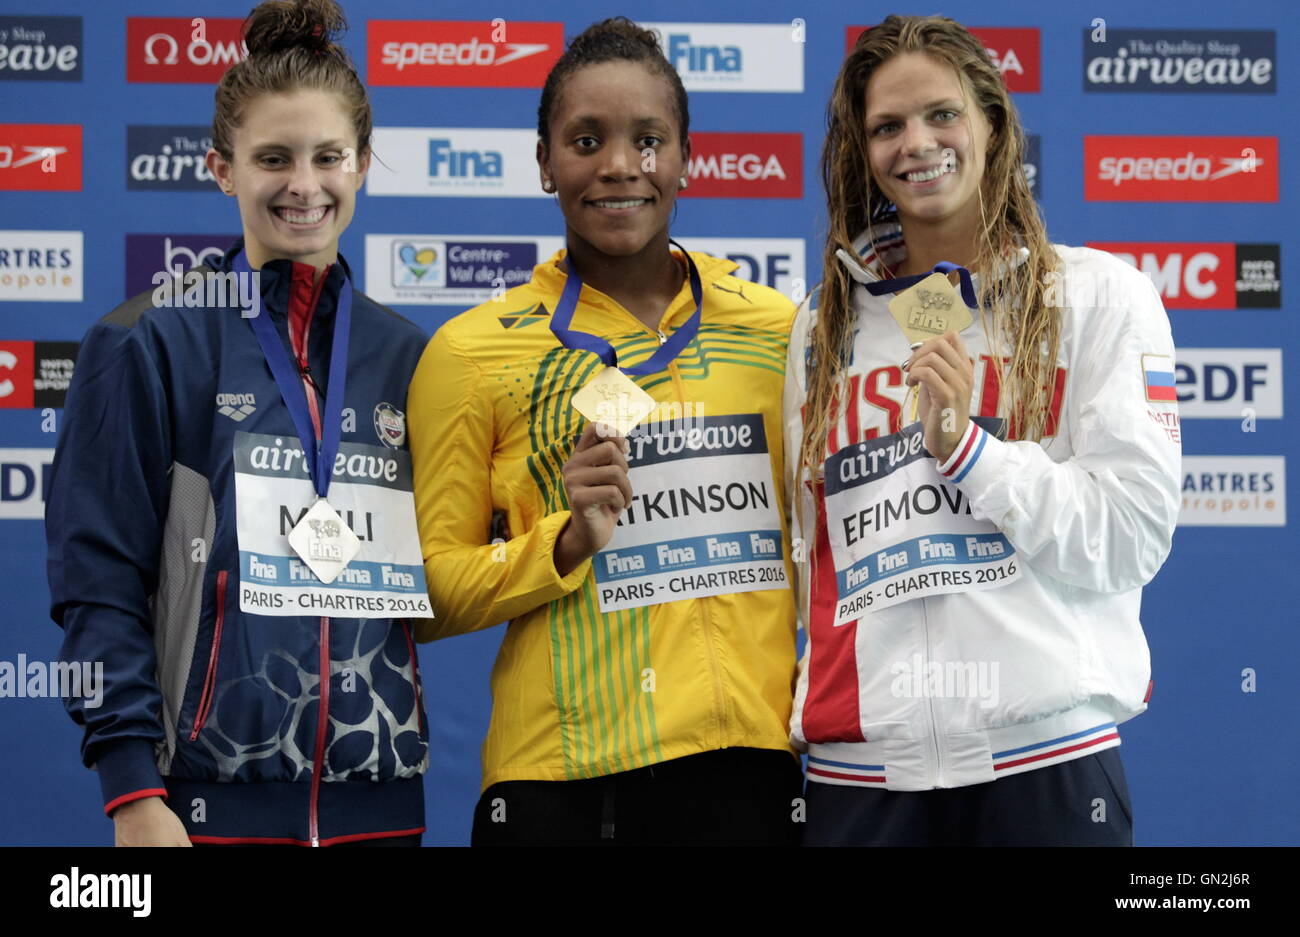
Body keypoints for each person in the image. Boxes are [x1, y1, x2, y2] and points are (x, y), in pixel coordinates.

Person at [785, 14, 1180, 846]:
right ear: (863, 153)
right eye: (886, 126)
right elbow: (809, 548)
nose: (916, 143)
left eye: (941, 114)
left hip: (1044, 762)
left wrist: (972, 452)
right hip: (862, 774)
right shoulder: (822, 328)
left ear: (993, 124)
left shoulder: (1100, 297)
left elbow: (1130, 532)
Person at [408, 17, 802, 846]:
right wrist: (561, 545)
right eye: (586, 140)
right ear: (545, 160)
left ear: (686, 157)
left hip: (752, 769)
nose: (620, 165)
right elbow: (426, 592)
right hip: (561, 784)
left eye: (648, 140)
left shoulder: (783, 331)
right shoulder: (474, 351)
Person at [46, 0, 431, 847]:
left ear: (364, 163)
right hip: (204, 813)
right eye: (273, 158)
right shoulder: (146, 341)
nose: (304, 184)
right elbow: (96, 579)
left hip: (383, 812)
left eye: (329, 156)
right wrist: (132, 792)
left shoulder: (406, 356)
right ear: (222, 168)